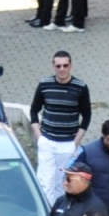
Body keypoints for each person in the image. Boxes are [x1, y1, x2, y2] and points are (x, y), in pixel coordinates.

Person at [29, 51, 91, 205]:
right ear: (53, 66)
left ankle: (61, 214)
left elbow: (87, 116)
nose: (62, 69)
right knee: (45, 183)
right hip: (47, 142)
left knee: (63, 184)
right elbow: (34, 110)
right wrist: (40, 137)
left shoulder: (80, 87)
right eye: (58, 66)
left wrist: (75, 142)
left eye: (65, 65)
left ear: (71, 66)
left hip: (68, 143)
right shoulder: (44, 85)